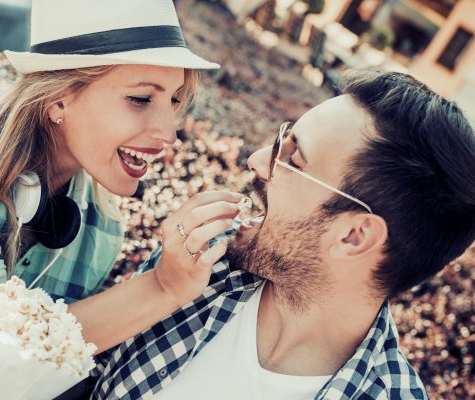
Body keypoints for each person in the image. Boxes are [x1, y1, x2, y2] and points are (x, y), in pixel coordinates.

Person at [0, 0, 244, 397]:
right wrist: (162, 287)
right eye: (140, 99)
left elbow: (22, 372)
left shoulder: (103, 229)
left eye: (173, 101)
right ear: (59, 99)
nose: (168, 133)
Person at [88, 70, 475, 399]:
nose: (256, 160)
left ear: (355, 236)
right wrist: (157, 288)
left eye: (293, 159)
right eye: (280, 139)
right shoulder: (195, 267)